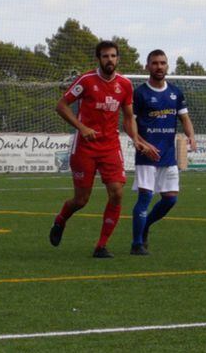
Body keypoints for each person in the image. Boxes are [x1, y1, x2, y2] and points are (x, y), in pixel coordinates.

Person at [49, 40, 160, 258]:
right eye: (105, 56)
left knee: (117, 193)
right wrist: (82, 127)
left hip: (110, 146)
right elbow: (61, 106)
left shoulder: (125, 85)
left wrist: (137, 140)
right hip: (85, 148)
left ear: (118, 58)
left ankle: (101, 246)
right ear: (98, 58)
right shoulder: (87, 80)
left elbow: (128, 118)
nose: (109, 60)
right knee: (81, 200)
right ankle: (61, 219)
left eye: (113, 56)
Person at [130, 50, 197, 255]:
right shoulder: (140, 93)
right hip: (146, 156)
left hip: (168, 156)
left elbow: (184, 118)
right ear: (147, 66)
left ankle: (146, 225)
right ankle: (137, 244)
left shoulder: (176, 93)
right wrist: (139, 142)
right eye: (155, 63)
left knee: (170, 199)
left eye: (163, 63)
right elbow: (129, 121)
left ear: (167, 66)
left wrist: (191, 136)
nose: (159, 66)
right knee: (145, 198)